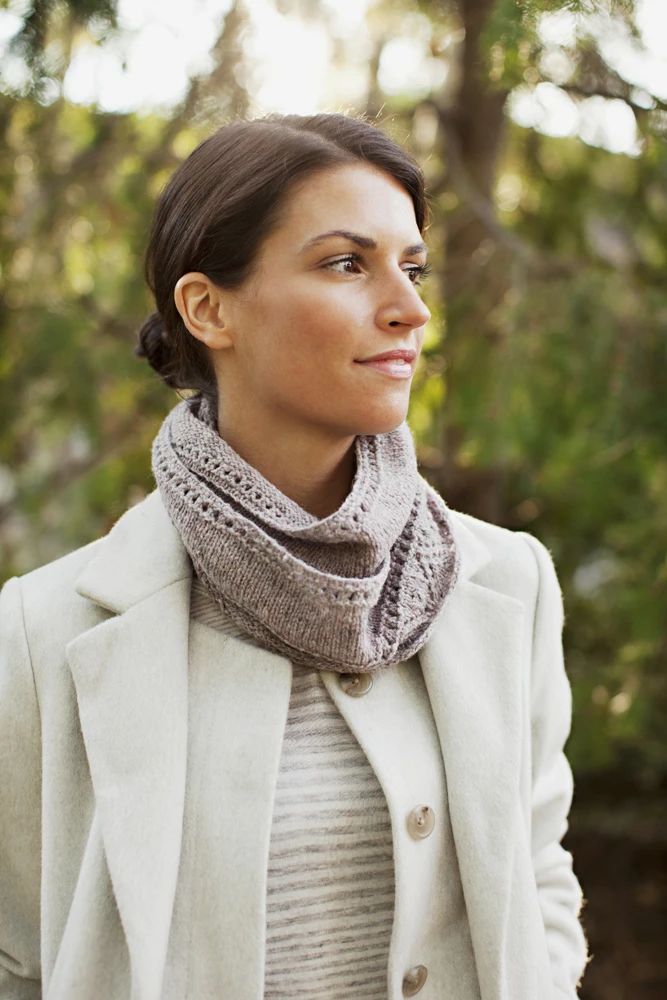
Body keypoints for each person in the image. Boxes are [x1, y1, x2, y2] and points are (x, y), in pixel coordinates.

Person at [0, 113, 589, 1000]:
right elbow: (17, 952)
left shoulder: (505, 583)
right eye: (347, 263)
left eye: (412, 266)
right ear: (208, 309)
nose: (410, 306)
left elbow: (538, 871)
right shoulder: (41, 634)